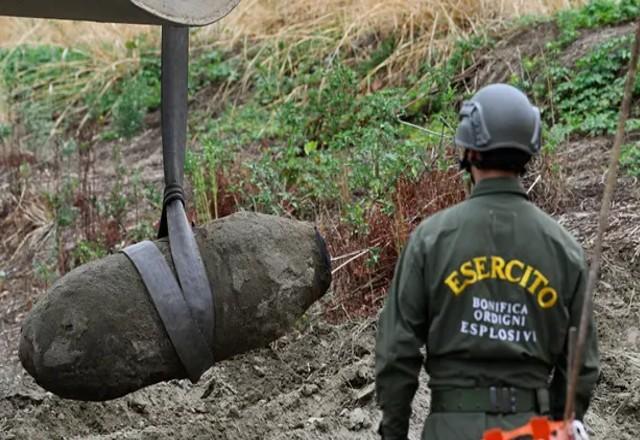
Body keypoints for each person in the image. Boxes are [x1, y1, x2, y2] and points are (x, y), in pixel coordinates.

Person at [374, 83, 600, 439]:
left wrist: (394, 432)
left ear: (469, 150)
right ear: (530, 149)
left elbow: (395, 353)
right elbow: (581, 366)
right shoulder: (565, 250)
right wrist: (555, 423)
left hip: (450, 429)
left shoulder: (431, 240)